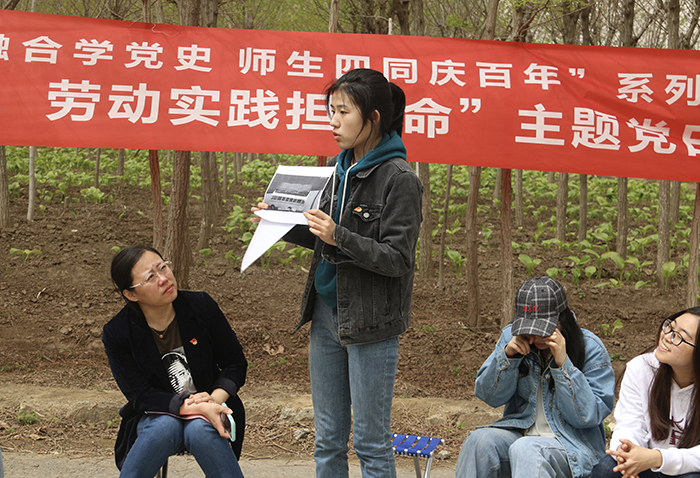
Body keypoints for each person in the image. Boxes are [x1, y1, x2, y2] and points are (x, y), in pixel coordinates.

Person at [252, 68, 423, 478]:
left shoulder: (399, 180)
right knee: (328, 438)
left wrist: (339, 234)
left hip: (371, 324)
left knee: (370, 442)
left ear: (374, 117)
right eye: (330, 111)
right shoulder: (337, 169)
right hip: (326, 315)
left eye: (343, 112)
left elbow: (397, 259)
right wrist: (279, 223)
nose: (332, 121)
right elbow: (325, 240)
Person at [103, 246, 247, 478]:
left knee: (200, 427)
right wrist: (196, 406)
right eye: (151, 277)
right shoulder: (118, 332)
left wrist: (213, 399)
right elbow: (140, 395)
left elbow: (235, 363)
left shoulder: (201, 306)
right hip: (154, 414)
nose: (164, 278)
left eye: (163, 267)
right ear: (131, 294)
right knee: (165, 425)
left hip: (210, 406)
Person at [455, 276, 615, 478]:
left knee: (528, 449)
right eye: (529, 328)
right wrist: (507, 358)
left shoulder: (591, 348)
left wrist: (563, 365)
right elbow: (488, 396)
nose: (535, 337)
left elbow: (588, 416)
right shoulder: (510, 337)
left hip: (571, 446)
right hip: (519, 433)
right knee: (479, 441)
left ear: (561, 319)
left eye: (542, 328)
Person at [591, 308, 700, 478]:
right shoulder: (641, 369)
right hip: (648, 463)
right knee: (608, 468)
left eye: (679, 337)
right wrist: (626, 451)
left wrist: (658, 457)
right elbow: (629, 424)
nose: (666, 336)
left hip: (686, 468)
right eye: (670, 327)